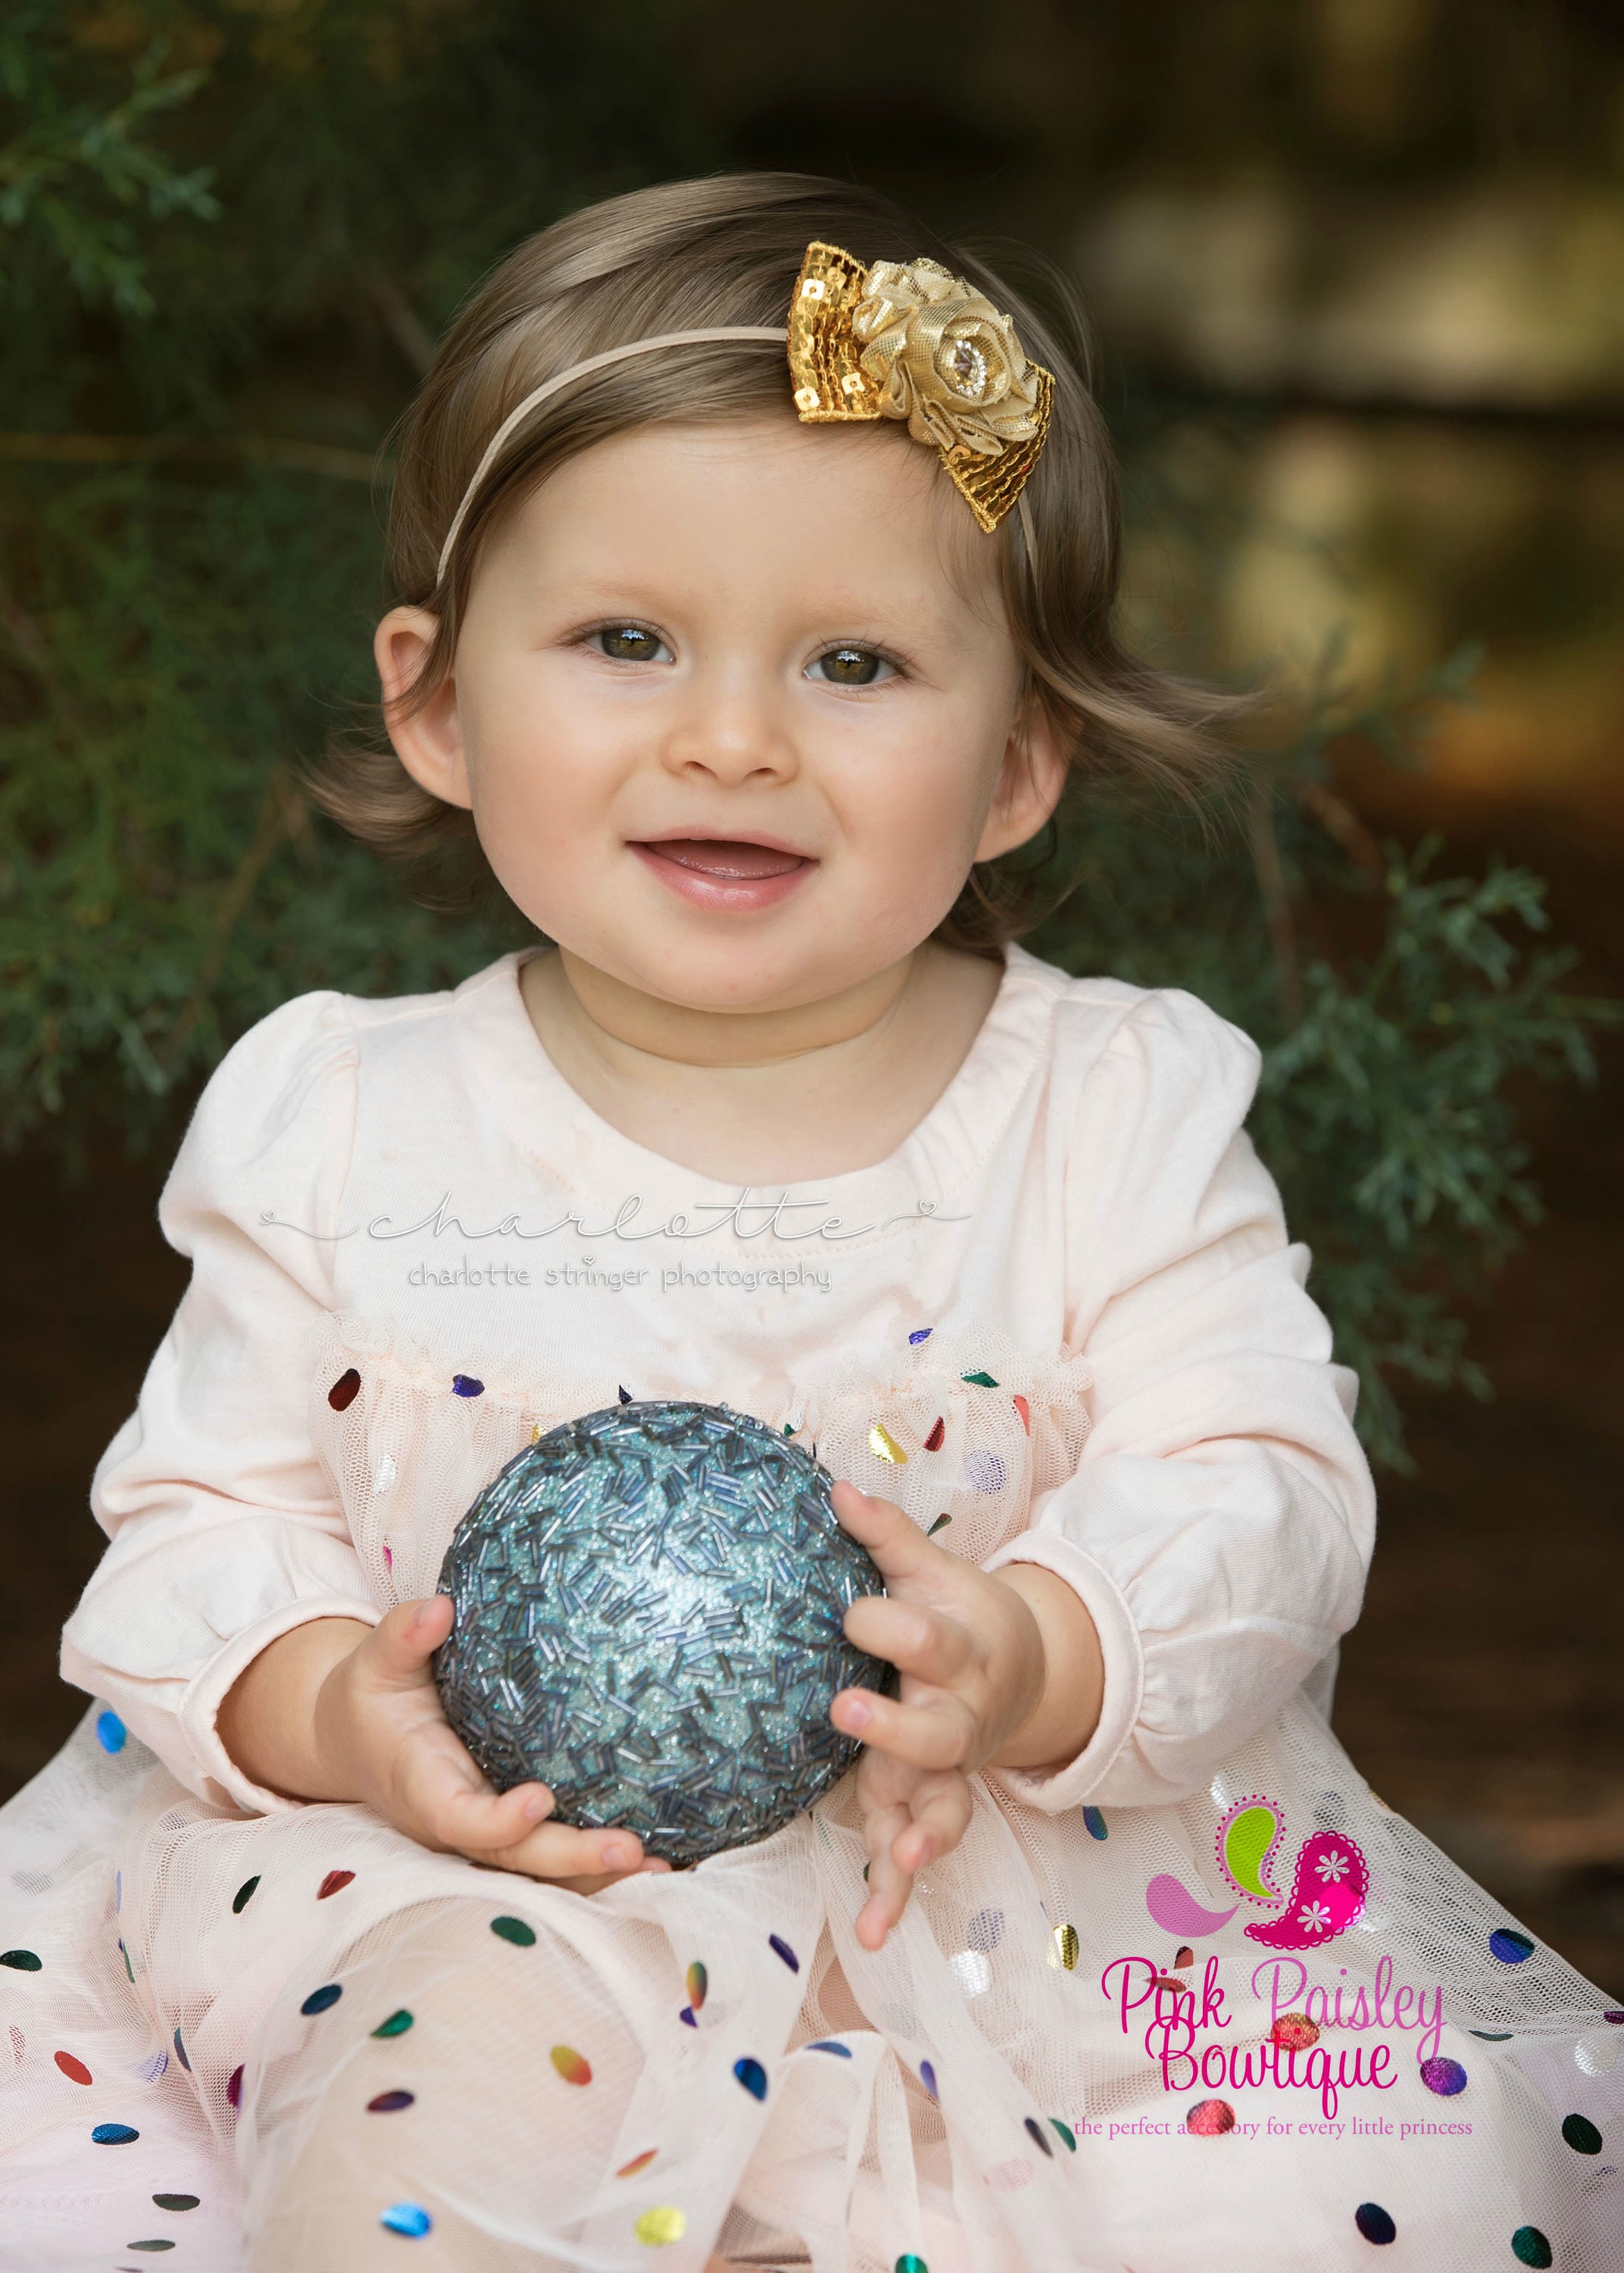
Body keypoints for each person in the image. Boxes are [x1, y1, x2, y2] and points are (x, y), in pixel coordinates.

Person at [0, 173, 1616, 2273]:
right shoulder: (345, 1116)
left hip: (1035, 1910)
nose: (735, 738)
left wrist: (1032, 1651)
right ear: (438, 704)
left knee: (1296, 2180)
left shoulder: (1110, 1108)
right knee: (439, 2083)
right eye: (626, 641)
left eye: (855, 662)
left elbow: (1263, 1484)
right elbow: (202, 1521)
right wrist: (333, 1708)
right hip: (476, 1879)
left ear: (1019, 756)